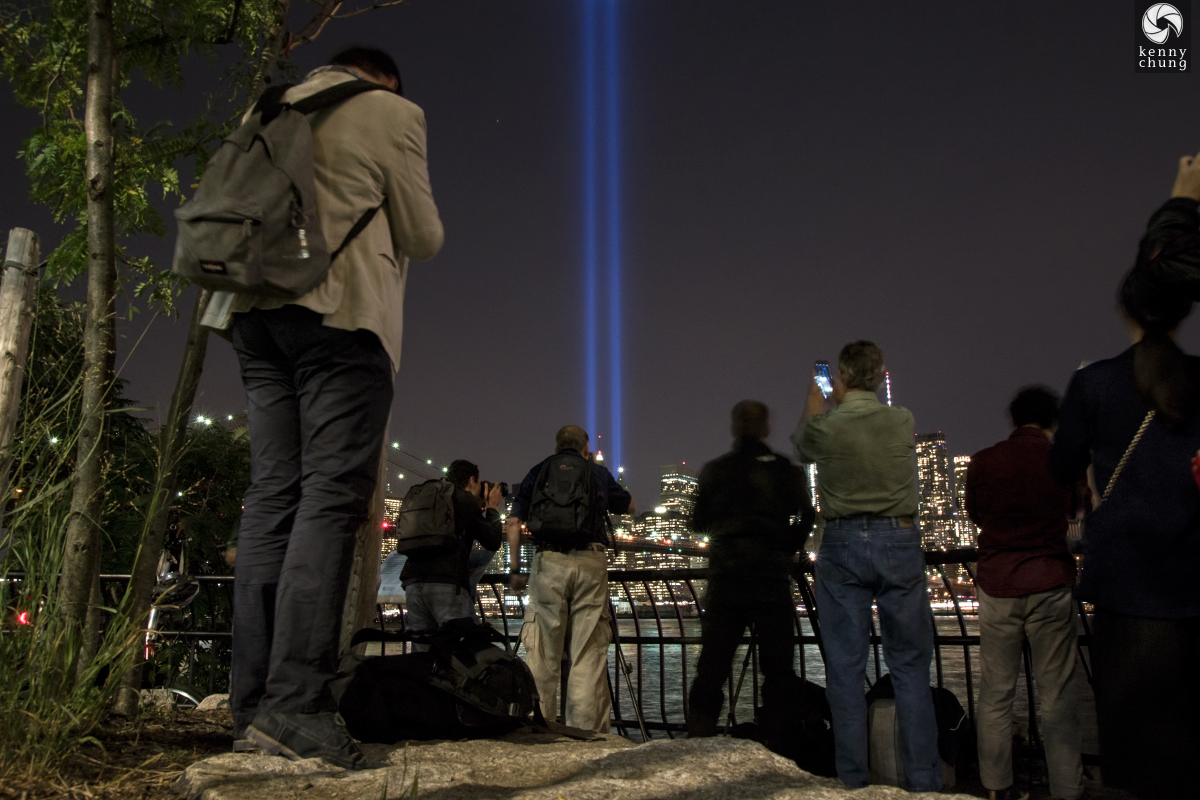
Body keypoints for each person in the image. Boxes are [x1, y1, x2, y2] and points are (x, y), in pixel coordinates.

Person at [208, 46, 443, 767]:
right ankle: (297, 704)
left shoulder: (268, 107)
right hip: (341, 316)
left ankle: (252, 705)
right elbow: (423, 236)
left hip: (249, 312)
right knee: (333, 498)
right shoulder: (394, 113)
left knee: (272, 493)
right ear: (383, 80)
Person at [1049, 162, 1200, 799]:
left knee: (1134, 752)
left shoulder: (1095, 384)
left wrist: (1085, 481)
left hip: (1127, 588)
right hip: (1194, 579)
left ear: (1125, 308)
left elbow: (1060, 468)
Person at [791, 340, 941, 792]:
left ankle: (853, 782)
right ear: (880, 376)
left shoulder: (827, 426)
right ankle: (923, 782)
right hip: (899, 538)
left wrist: (817, 404)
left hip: (841, 541)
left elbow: (802, 447)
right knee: (911, 667)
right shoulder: (902, 419)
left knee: (844, 668)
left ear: (840, 375)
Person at [967, 387, 1081, 800]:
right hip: (1049, 580)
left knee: (996, 693)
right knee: (1057, 694)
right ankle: (1067, 789)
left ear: (1013, 420)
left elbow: (975, 513)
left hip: (997, 585)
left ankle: (997, 788)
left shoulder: (984, 460)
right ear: (1053, 421)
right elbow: (1074, 510)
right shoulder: (1061, 460)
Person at [686, 400, 814, 737]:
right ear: (767, 429)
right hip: (771, 577)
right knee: (778, 669)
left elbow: (697, 522)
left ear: (732, 428)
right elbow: (808, 514)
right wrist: (787, 545)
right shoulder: (785, 469)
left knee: (712, 666)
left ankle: (697, 737)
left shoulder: (715, 470)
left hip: (726, 578)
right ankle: (779, 740)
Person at [506, 425, 633, 733]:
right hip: (590, 562)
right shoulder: (596, 472)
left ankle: (539, 726)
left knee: (543, 651)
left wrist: (515, 569)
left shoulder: (539, 470)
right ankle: (585, 732)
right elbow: (629, 505)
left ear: (556, 447)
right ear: (585, 449)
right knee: (587, 652)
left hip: (548, 562)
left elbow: (512, 522)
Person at [400, 460, 503, 645]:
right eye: (479, 484)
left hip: (413, 584)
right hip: (446, 586)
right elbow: (492, 541)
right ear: (472, 480)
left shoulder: (435, 498)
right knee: (464, 650)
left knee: (423, 656)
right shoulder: (464, 499)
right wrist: (493, 508)